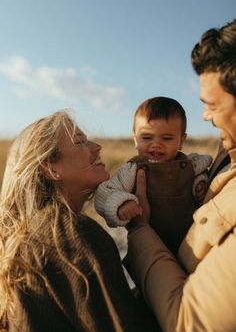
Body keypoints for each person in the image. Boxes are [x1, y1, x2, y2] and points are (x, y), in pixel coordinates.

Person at [0, 111, 156, 332]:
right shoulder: (72, 235)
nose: (96, 147)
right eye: (80, 141)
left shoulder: (34, 231)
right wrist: (142, 229)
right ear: (50, 168)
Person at [127, 19, 236, 332]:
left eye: (212, 104)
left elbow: (186, 321)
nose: (205, 116)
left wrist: (138, 228)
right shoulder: (225, 154)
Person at [95, 96, 212, 254]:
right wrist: (122, 204)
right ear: (135, 139)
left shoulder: (190, 164)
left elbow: (201, 174)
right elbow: (105, 192)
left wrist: (200, 184)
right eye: (147, 137)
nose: (156, 144)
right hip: (148, 243)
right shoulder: (133, 169)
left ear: (181, 141)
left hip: (191, 241)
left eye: (167, 138)